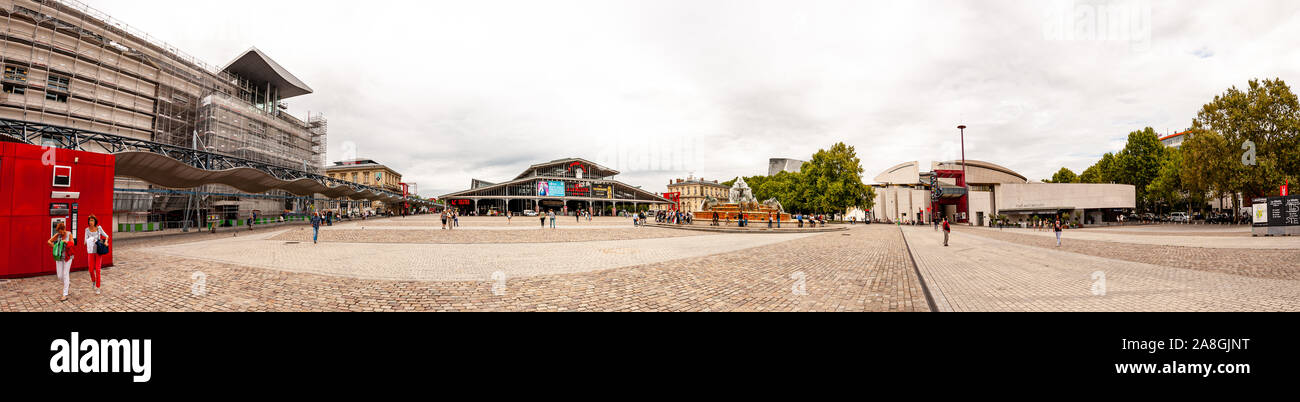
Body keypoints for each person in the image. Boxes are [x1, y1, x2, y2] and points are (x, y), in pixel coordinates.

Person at [47, 221, 75, 302]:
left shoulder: (69, 234)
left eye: (61, 231)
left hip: (67, 257)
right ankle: (67, 283)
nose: (60, 233)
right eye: (58, 232)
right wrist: (55, 247)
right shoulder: (58, 235)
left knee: (65, 274)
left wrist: (66, 242)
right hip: (59, 257)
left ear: (64, 229)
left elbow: (73, 243)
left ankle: (65, 294)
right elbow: (49, 241)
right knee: (59, 275)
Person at [84, 215, 109, 295]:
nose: (90, 222)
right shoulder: (87, 230)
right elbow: (85, 241)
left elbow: (107, 236)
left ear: (95, 221)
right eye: (90, 220)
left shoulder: (99, 228)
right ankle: (93, 281)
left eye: (92, 220)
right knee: (91, 269)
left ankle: (98, 287)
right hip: (91, 251)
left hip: (98, 251)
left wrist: (105, 242)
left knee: (98, 270)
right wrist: (89, 241)